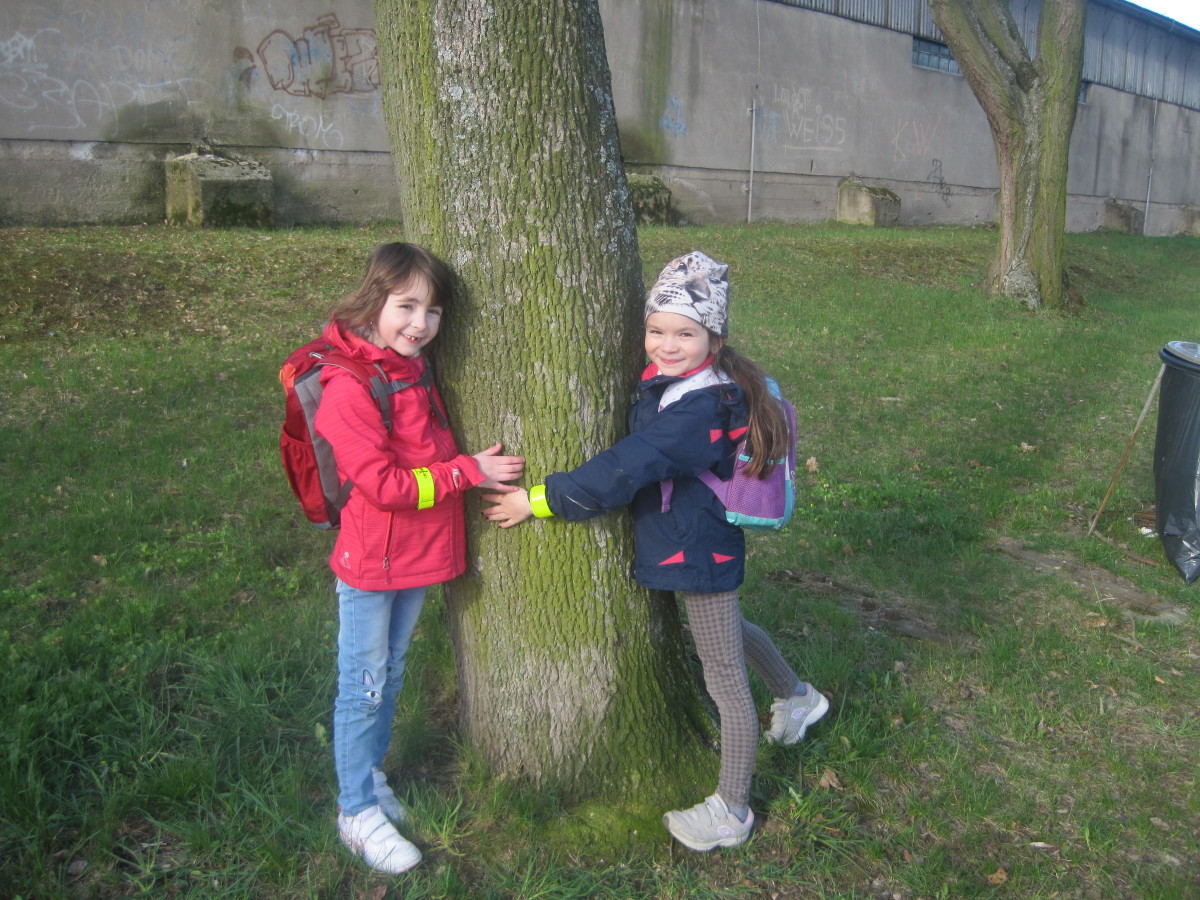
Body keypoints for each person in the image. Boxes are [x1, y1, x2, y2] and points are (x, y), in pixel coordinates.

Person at [482, 251, 828, 852]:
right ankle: (798, 697)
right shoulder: (687, 385)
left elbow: (628, 465)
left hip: (699, 549)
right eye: (657, 330)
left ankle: (732, 811)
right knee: (724, 632)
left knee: (723, 675)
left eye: (685, 334)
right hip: (695, 543)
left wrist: (538, 500)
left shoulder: (702, 408)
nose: (667, 345)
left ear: (715, 341)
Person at [314, 242, 524, 874]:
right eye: (406, 306)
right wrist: (468, 471)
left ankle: (370, 777)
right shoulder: (349, 385)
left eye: (432, 311)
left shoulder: (412, 368)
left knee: (391, 672)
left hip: (412, 558)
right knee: (364, 685)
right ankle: (354, 810)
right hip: (371, 563)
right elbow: (384, 485)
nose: (420, 324)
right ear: (373, 300)